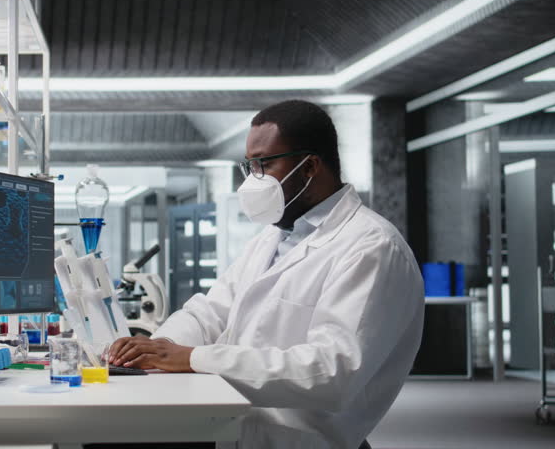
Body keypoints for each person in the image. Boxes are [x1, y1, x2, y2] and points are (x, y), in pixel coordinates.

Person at [110, 100, 424, 449]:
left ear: (309, 167)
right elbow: (210, 312)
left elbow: (332, 371)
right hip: (235, 422)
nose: (254, 178)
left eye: (265, 163)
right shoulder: (274, 237)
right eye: (250, 165)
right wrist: (159, 347)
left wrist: (193, 358)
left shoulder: (371, 246)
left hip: (296, 439)